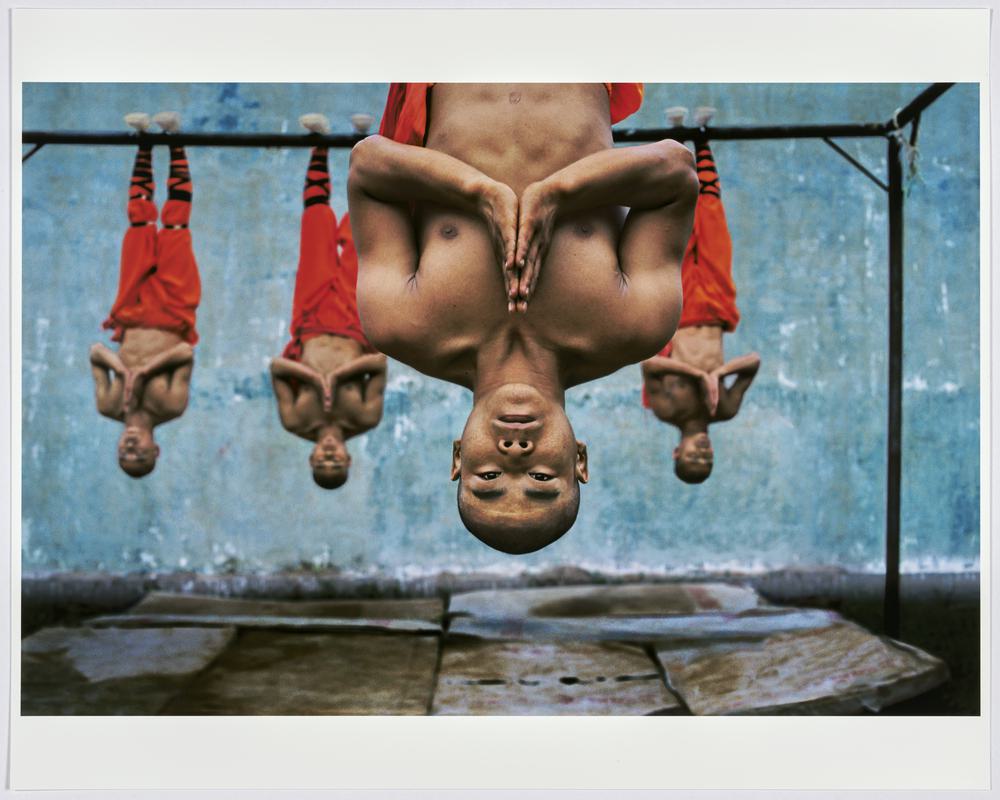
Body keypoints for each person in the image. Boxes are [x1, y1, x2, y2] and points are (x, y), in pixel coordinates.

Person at [348, 84, 697, 553]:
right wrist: (558, 193)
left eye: (488, 477)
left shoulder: (401, 323)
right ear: (579, 461)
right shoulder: (636, 325)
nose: (514, 454)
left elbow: (368, 165)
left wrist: (478, 193)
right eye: (541, 477)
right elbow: (675, 172)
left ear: (457, 457)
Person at [270, 114, 387, 490]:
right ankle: (362, 142)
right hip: (355, 320)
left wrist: (315, 379)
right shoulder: (366, 417)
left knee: (316, 231)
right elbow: (380, 363)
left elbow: (275, 368)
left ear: (312, 457)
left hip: (312, 318)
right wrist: (337, 378)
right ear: (348, 458)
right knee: (358, 234)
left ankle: (318, 145)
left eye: (324, 461)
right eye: (337, 461)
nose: (330, 455)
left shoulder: (294, 420)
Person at [640, 133, 760, 484]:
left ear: (678, 451)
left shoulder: (667, 410)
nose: (703, 451)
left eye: (694, 456)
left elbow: (650, 365)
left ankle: (675, 140)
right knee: (712, 226)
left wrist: (696, 375)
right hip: (716, 308)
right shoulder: (724, 408)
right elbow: (753, 362)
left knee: (676, 230)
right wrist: (719, 375)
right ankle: (702, 141)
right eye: (708, 458)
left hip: (678, 308)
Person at [90, 112, 200, 478]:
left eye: (125, 456)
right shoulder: (170, 407)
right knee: (174, 226)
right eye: (141, 456)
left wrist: (123, 370)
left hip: (132, 310)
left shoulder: (108, 405)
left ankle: (143, 143)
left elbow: (96, 352)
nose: (131, 449)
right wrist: (145, 373)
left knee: (139, 225)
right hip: (173, 310)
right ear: (157, 449)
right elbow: (184, 352)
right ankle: (176, 140)